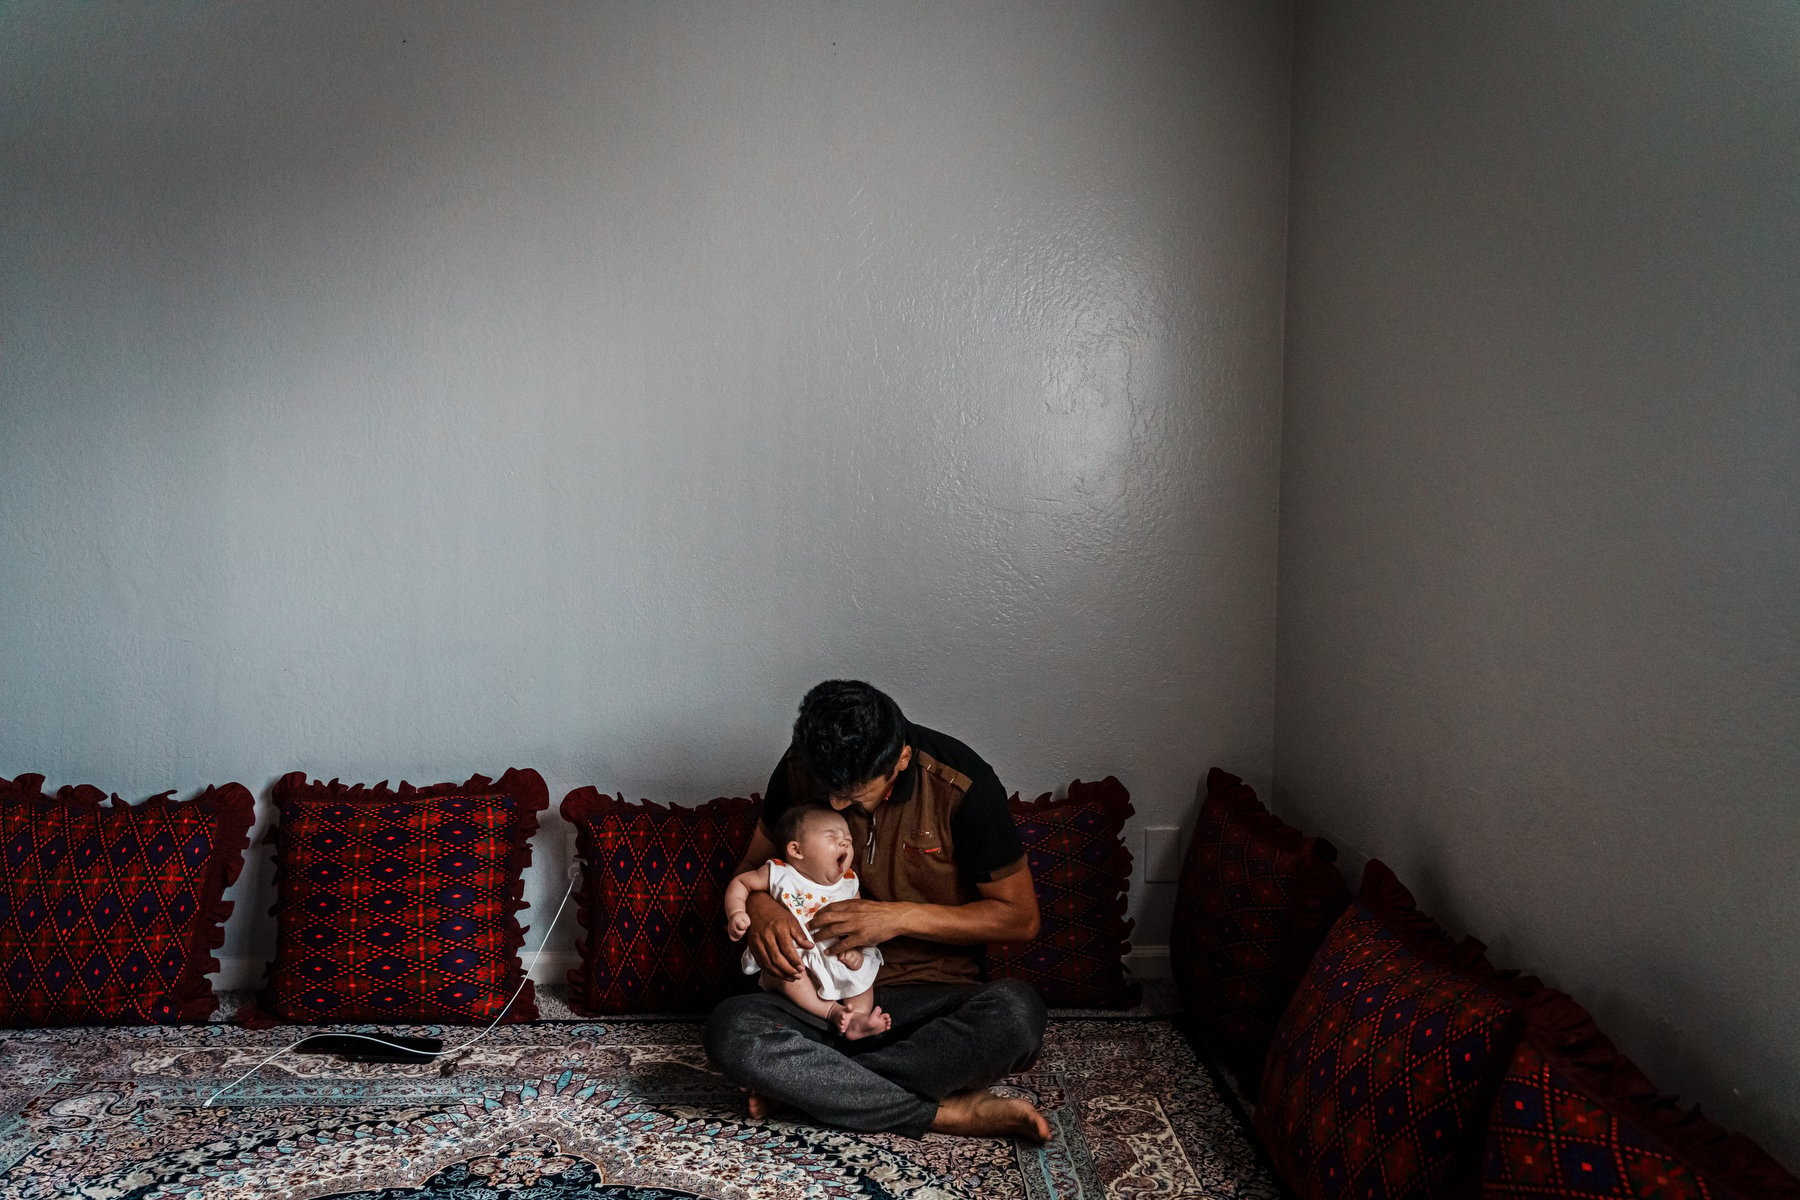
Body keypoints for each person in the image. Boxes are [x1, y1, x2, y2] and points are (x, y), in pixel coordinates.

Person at [704, 680, 1051, 1143]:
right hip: (824, 1005)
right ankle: (944, 1114)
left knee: (1017, 1014)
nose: (835, 806)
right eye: (829, 791)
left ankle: (812, 1089)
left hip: (931, 1004)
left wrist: (895, 917)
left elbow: (1020, 918)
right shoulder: (801, 767)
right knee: (730, 1031)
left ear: (900, 760)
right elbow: (754, 868)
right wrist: (763, 911)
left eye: (853, 795)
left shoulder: (963, 784)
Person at [724, 804, 892, 1039]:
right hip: (795, 957)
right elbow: (742, 883)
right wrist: (736, 912)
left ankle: (859, 1019)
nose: (844, 843)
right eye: (832, 837)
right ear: (797, 850)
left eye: (848, 839)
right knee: (788, 976)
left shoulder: (849, 881)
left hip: (835, 954)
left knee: (862, 973)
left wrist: (856, 948)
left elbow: (858, 920)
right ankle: (832, 1011)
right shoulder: (780, 874)